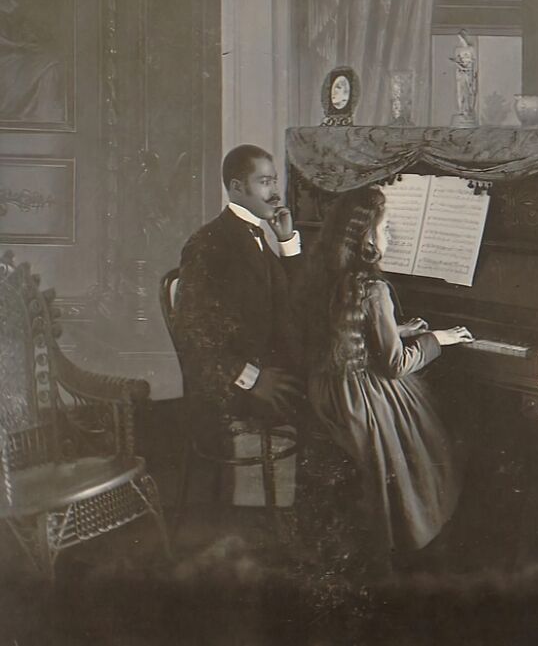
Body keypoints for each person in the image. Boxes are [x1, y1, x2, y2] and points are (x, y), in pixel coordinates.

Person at [294, 184, 471, 572]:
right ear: (366, 237)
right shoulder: (373, 287)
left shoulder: (326, 274)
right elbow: (394, 365)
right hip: (361, 399)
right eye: (387, 228)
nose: (391, 236)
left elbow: (347, 328)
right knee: (435, 432)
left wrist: (396, 328)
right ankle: (423, 534)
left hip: (327, 389)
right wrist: (437, 338)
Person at [172, 145, 303, 455]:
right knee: (338, 403)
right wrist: (252, 380)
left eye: (275, 181)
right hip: (235, 389)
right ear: (236, 187)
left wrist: (286, 242)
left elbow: (296, 299)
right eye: (264, 182)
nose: (275, 192)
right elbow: (192, 332)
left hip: (270, 368)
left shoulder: (256, 235)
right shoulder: (209, 243)